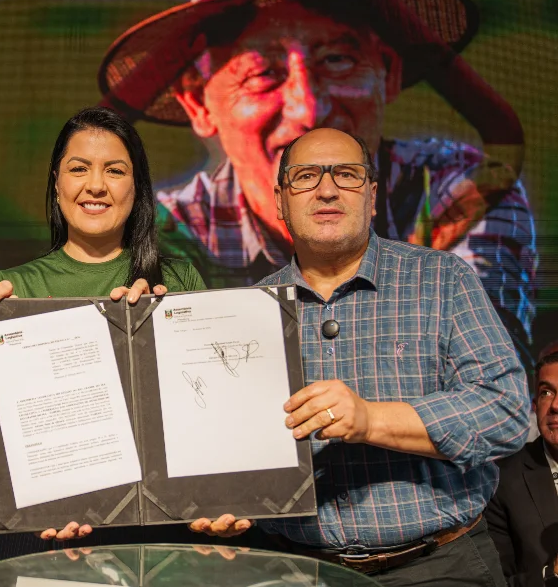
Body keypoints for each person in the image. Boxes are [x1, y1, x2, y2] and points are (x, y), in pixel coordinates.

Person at [97, 0, 537, 371]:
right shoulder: (167, 232)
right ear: (197, 103)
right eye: (263, 74)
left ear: (389, 70)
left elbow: (487, 384)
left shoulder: (456, 190)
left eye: (339, 60)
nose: (308, 109)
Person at [187, 127, 528, 585]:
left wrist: (371, 419)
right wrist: (221, 499)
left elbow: (505, 411)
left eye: (346, 175)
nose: (326, 189)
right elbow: (223, 447)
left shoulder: (442, 278)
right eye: (306, 176)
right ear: (280, 200)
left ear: (371, 196)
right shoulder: (242, 312)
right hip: (294, 569)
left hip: (439, 566)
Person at [0, 106, 209, 558]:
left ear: (136, 186)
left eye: (114, 170)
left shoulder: (177, 283)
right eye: (79, 168)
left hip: (158, 533)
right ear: (56, 182)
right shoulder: (13, 290)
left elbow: (205, 417)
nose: (95, 185)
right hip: (46, 530)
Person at [486, 349, 558, 587]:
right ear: (535, 406)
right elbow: (494, 581)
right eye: (547, 393)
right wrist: (551, 574)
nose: (555, 405)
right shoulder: (503, 479)